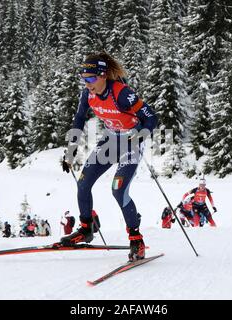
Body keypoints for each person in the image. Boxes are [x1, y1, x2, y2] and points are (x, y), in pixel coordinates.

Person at [60, 52, 158, 262]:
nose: (87, 84)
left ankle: (136, 240)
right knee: (83, 183)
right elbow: (79, 119)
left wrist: (139, 137)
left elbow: (151, 117)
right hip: (111, 141)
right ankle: (87, 228)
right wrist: (70, 150)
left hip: (131, 143)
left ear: (103, 75)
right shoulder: (88, 95)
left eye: (91, 79)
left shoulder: (122, 94)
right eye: (84, 79)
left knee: (118, 190)